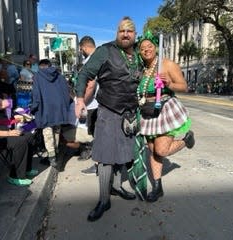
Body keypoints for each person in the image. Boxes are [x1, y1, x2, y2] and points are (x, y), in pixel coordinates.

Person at [75, 16, 143, 221]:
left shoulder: (139, 54)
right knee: (105, 156)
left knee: (123, 153)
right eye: (122, 30)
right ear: (117, 33)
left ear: (135, 34)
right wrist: (79, 99)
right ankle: (104, 200)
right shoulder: (105, 50)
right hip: (108, 110)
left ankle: (115, 187)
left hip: (129, 112)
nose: (125, 34)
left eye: (129, 31)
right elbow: (84, 73)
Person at [137, 31, 195, 202]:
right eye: (142, 48)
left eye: (149, 46)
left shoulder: (167, 65)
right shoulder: (142, 69)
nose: (146, 50)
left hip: (163, 108)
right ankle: (157, 187)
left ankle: (186, 140)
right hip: (146, 112)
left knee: (161, 150)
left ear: (155, 47)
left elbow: (184, 86)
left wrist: (168, 83)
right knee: (153, 151)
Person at [31, 59, 77, 169]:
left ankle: (51, 158)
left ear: (40, 66)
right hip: (59, 108)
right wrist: (64, 106)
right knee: (56, 130)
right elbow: (67, 92)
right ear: (50, 66)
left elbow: (36, 95)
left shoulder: (37, 77)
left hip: (45, 108)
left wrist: (33, 108)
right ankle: (55, 154)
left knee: (47, 132)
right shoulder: (59, 76)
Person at [77, 35, 99, 175]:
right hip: (104, 103)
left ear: (84, 47)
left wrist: (81, 102)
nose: (81, 52)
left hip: (94, 105)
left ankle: (98, 165)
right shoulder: (102, 58)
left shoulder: (91, 61)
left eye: (81, 50)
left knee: (97, 136)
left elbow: (90, 85)